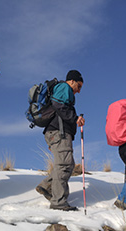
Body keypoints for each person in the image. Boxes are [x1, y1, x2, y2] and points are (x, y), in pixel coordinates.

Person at [35, 70, 85, 211]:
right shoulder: (65, 87)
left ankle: (46, 186)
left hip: (56, 133)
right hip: (59, 133)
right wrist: (75, 118)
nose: (79, 91)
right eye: (79, 86)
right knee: (64, 165)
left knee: (67, 164)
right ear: (72, 81)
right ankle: (58, 202)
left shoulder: (63, 89)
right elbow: (58, 105)